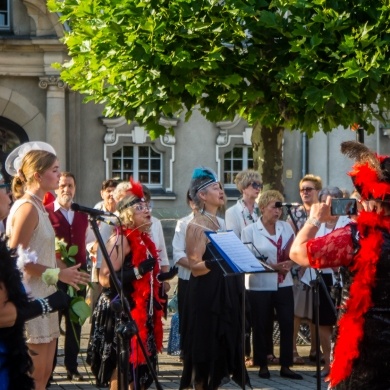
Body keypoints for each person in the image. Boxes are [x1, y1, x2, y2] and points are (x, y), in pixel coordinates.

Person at [290, 140, 390, 389]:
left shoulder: (355, 236)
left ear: (371, 200)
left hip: (362, 351)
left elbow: (298, 253)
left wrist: (313, 220)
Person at [4, 142, 90, 390]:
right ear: (37, 175)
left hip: (47, 295)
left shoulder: (39, 207)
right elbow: (15, 258)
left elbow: (41, 253)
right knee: (34, 379)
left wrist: (66, 273)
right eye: (54, 169)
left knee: (44, 376)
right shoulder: (27, 207)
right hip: (31, 298)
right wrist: (57, 273)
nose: (59, 175)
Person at [87, 179, 164, 389]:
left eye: (147, 206)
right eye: (140, 207)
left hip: (138, 311)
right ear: (128, 213)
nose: (146, 210)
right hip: (119, 310)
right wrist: (138, 272)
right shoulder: (120, 240)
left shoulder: (143, 239)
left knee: (137, 372)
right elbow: (105, 278)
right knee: (121, 370)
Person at [179, 167, 249, 390]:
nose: (220, 190)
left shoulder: (221, 222)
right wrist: (217, 262)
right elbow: (194, 266)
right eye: (214, 187)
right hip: (206, 297)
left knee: (220, 352)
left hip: (225, 292)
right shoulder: (198, 223)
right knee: (204, 354)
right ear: (201, 195)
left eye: (220, 186)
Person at [241, 190, 303, 380]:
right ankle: (262, 365)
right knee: (261, 324)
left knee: (286, 323)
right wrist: (273, 267)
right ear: (262, 208)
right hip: (260, 284)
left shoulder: (286, 227)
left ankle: (286, 365)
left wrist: (291, 264)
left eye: (279, 207)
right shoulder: (250, 230)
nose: (278, 211)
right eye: (274, 207)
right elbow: (247, 258)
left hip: (284, 283)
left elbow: (295, 251)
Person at [300, 187, 351, 378]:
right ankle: (328, 363)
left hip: (343, 280)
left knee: (342, 323)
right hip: (321, 278)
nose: (328, 206)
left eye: (332, 202)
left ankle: (341, 365)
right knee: (323, 323)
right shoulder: (315, 223)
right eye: (324, 202)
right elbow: (303, 248)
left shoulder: (349, 223)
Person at [45, 171, 90, 381]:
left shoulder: (82, 214)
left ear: (75, 188)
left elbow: (88, 242)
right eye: (62, 185)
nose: (66, 189)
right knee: (53, 323)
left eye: (70, 185)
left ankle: (72, 366)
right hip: (56, 277)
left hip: (78, 277)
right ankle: (50, 368)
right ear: (56, 188)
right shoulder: (46, 213)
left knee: (75, 323)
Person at [224, 170, 266, 366]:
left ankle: (262, 353)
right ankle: (245, 353)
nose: (258, 189)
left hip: (262, 265)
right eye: (253, 185)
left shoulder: (261, 209)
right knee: (245, 312)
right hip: (242, 266)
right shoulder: (233, 212)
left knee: (261, 311)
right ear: (243, 188)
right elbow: (234, 239)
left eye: (259, 185)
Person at [287, 173, 322, 364]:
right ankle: (293, 351)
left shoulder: (323, 211)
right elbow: (290, 240)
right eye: (302, 190)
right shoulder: (295, 213)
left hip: (318, 268)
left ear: (318, 191)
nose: (305, 193)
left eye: (309, 189)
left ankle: (316, 350)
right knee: (296, 312)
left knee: (316, 311)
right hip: (298, 269)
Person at [88, 179, 119, 312]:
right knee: (95, 298)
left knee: (114, 297)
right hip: (99, 261)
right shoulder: (95, 211)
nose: (111, 194)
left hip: (117, 261)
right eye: (108, 191)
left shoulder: (122, 212)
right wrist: (92, 246)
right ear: (102, 193)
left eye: (114, 191)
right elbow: (87, 236)